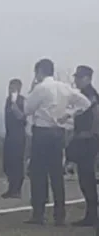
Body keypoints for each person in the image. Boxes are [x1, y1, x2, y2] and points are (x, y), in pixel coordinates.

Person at [19, 58, 91, 226]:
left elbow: (27, 109)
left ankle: (39, 213)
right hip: (58, 132)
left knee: (39, 174)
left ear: (40, 72)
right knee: (56, 174)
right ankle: (60, 214)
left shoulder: (41, 88)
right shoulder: (64, 88)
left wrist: (31, 90)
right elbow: (85, 103)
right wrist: (70, 113)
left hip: (42, 132)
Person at [65, 65, 99, 227]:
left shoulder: (90, 95)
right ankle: (90, 214)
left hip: (87, 140)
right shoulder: (85, 95)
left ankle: (92, 216)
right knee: (84, 179)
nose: (76, 80)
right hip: (82, 139)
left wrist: (92, 134)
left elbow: (95, 117)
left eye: (78, 77)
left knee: (87, 179)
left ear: (86, 78)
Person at [2, 78, 27, 199]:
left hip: (18, 136)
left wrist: (15, 106)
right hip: (9, 134)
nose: (10, 90)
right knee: (8, 163)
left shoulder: (22, 102)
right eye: (9, 88)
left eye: (13, 88)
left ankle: (17, 189)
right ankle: (11, 187)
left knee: (17, 162)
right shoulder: (8, 101)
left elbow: (23, 119)